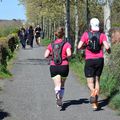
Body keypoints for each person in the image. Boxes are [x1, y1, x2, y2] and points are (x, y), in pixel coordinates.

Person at [77, 18, 111, 110]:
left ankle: (93, 91)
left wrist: (85, 45)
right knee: (97, 80)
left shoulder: (86, 34)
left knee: (90, 82)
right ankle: (95, 104)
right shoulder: (102, 35)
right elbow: (107, 47)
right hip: (99, 59)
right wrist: (108, 50)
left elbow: (79, 46)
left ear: (90, 25)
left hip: (89, 60)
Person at [44, 27, 72, 107]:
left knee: (57, 85)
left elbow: (45, 55)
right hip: (64, 66)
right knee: (62, 85)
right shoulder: (66, 44)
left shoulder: (51, 44)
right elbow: (69, 54)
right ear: (63, 35)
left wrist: (51, 56)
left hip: (54, 66)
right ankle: (60, 99)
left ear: (55, 35)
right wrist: (64, 56)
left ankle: (57, 99)